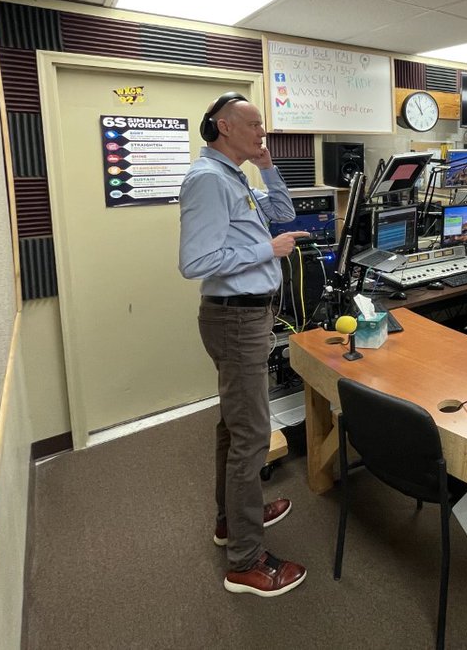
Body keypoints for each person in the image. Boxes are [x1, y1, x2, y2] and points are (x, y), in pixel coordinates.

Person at [178, 92, 310, 598]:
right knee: (251, 434)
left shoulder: (234, 175)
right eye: (255, 125)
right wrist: (268, 249)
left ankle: (233, 519)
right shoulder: (208, 180)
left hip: (247, 318)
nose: (262, 133)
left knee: (235, 426)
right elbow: (196, 262)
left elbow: (282, 209)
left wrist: (268, 165)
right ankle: (245, 561)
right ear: (222, 127)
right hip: (235, 322)